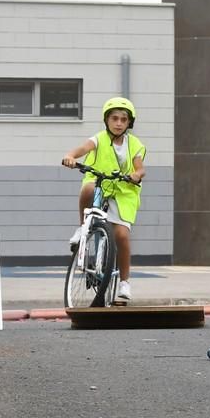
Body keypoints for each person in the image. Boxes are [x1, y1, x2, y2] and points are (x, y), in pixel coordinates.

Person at [61, 97, 146, 303]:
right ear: (107, 120)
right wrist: (71, 156)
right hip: (99, 181)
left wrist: (137, 174)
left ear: (129, 123)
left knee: (122, 235)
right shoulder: (98, 139)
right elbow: (81, 149)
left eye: (123, 119)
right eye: (114, 118)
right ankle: (83, 227)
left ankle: (124, 282)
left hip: (122, 190)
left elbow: (139, 167)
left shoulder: (134, 144)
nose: (118, 123)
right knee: (88, 190)